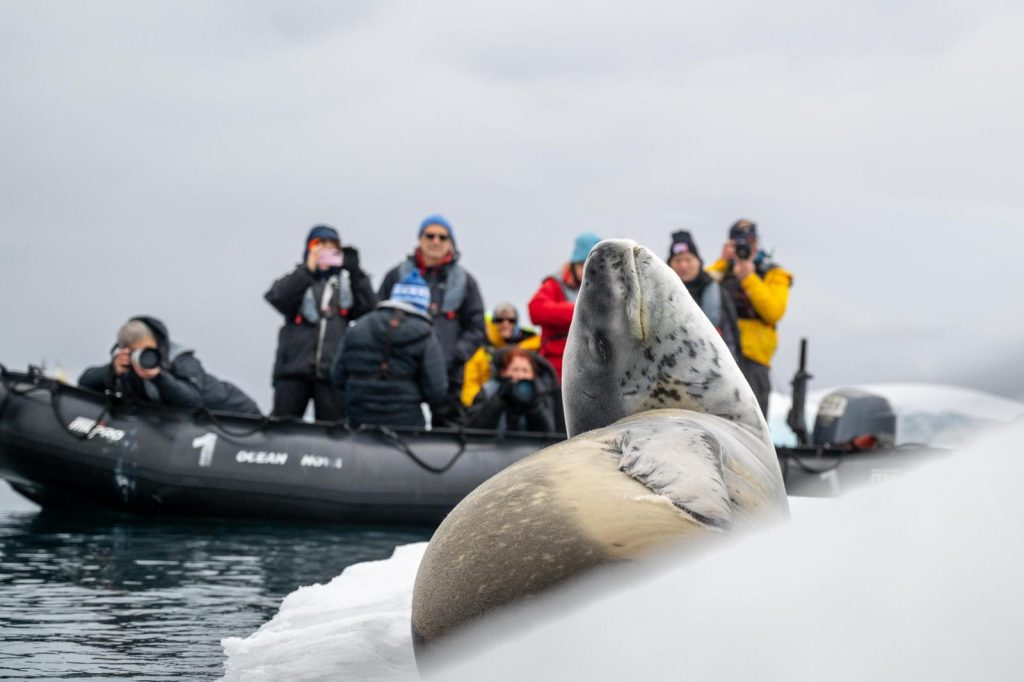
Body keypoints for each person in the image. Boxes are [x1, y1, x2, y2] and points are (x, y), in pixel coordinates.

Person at [377, 215, 485, 424]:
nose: (436, 241)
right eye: (430, 235)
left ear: (450, 243)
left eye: (442, 237)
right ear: (420, 239)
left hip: (449, 373)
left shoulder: (466, 282)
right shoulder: (396, 275)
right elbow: (378, 316)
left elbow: (477, 327)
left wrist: (456, 355)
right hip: (402, 371)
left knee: (447, 428)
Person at [265, 225, 376, 421]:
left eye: (331, 247)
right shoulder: (297, 279)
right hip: (293, 371)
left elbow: (368, 309)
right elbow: (278, 298)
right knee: (282, 426)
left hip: (331, 374)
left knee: (333, 431)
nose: (324, 250)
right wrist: (308, 270)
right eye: (319, 245)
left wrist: (356, 273)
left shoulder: (345, 286)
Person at [332, 270, 448, 429]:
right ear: (423, 303)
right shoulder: (426, 334)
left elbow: (337, 376)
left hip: (359, 420)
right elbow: (437, 391)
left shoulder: (357, 327)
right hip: (405, 425)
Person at [78, 316, 260, 414]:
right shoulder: (124, 366)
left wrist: (158, 377)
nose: (146, 357)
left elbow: (192, 401)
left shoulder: (180, 359)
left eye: (149, 350)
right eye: (138, 353)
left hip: (235, 412)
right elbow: (84, 381)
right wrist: (112, 371)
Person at [706, 219, 793, 417]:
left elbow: (774, 312)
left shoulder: (774, 273)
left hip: (755, 359)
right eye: (738, 243)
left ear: (757, 241)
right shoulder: (722, 269)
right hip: (722, 355)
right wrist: (722, 262)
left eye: (749, 241)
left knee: (753, 419)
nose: (745, 246)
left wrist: (749, 278)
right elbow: (697, 290)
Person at [528, 231, 600, 381]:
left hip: (592, 368)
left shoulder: (602, 291)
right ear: (574, 265)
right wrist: (580, 311)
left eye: (593, 266)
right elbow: (535, 309)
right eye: (583, 265)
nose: (588, 271)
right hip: (557, 369)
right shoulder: (554, 285)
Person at [667, 230, 740, 358]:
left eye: (688, 260)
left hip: (713, 364)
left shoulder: (719, 293)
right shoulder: (662, 296)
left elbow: (731, 337)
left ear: (699, 262)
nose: (683, 266)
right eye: (678, 261)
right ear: (669, 265)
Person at [460, 302, 541, 407]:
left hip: (526, 399)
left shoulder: (532, 349)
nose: (505, 323)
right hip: (492, 403)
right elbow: (470, 385)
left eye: (511, 320)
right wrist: (477, 400)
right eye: (499, 320)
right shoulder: (483, 352)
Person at [466, 348, 556, 433]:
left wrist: (533, 406)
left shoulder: (542, 394)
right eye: (514, 370)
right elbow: (474, 429)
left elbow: (548, 434)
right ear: (503, 372)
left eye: (525, 371)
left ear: (533, 374)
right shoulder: (488, 391)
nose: (520, 375)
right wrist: (499, 399)